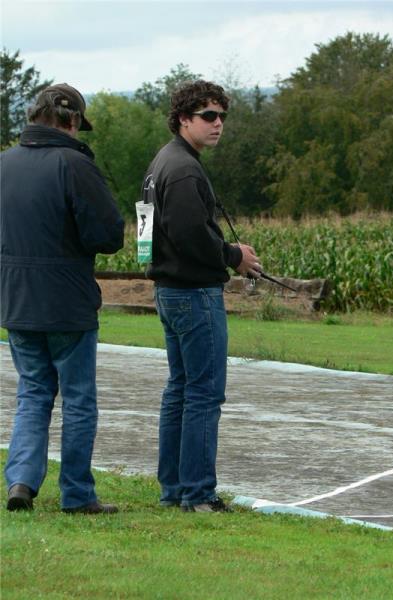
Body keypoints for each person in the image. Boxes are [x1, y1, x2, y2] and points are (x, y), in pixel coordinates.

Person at [1, 83, 125, 514]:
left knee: (33, 393)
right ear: (71, 120)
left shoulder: (4, 164)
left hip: (16, 300)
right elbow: (107, 236)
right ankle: (77, 493)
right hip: (68, 302)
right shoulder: (75, 165)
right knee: (78, 400)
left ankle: (21, 480)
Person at [142, 80, 262, 512]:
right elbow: (190, 235)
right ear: (182, 119)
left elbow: (145, 236)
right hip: (192, 293)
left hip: (169, 290)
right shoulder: (184, 169)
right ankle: (198, 494)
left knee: (180, 390)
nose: (218, 124)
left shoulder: (161, 162)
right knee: (204, 393)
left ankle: (175, 490)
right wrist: (234, 256)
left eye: (222, 116)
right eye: (208, 116)